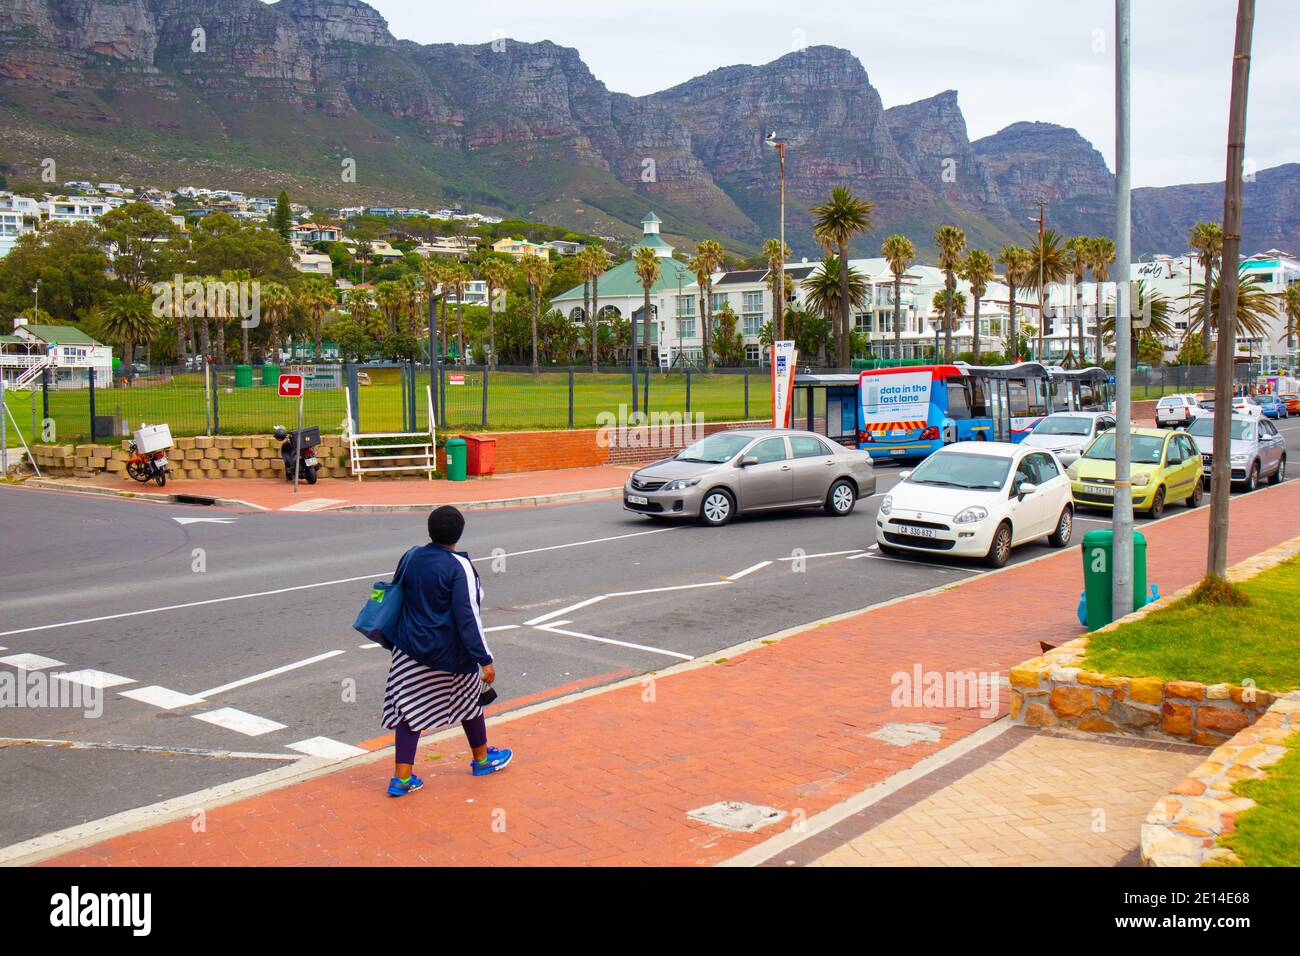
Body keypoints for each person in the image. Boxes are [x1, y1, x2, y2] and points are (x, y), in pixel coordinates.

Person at [381, 505, 512, 797]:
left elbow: (398, 592)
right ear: (460, 533)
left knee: (407, 709)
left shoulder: (411, 556)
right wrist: (484, 659)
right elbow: (468, 616)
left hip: (409, 650)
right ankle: (482, 759)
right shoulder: (459, 566)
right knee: (469, 703)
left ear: (430, 529)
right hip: (450, 655)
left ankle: (401, 779)